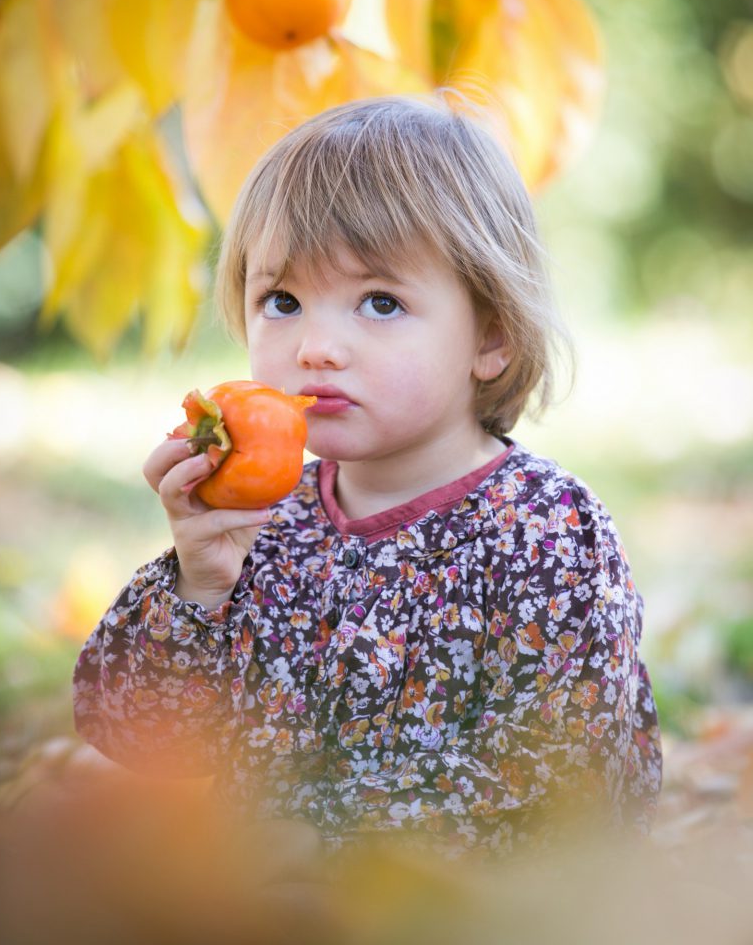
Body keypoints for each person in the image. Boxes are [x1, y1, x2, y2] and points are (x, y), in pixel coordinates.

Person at [73, 94, 662, 857]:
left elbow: (559, 777)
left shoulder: (546, 531)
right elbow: (128, 729)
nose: (316, 346)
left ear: (492, 336)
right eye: (281, 301)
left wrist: (329, 855)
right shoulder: (263, 527)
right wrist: (198, 583)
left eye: (379, 303)